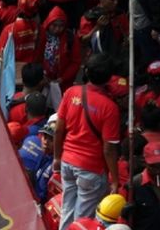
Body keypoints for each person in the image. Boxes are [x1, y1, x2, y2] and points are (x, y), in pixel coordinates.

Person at [54, 53, 121, 229]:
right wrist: (114, 179)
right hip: (91, 168)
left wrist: (56, 157)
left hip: (67, 162)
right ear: (109, 77)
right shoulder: (110, 108)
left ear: (86, 71)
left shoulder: (71, 92)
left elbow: (59, 130)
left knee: (67, 208)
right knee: (83, 218)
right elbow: (109, 149)